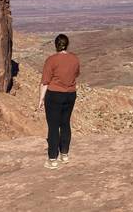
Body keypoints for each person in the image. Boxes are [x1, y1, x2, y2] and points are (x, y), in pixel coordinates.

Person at [38, 33, 80, 170]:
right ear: (67, 44)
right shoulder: (74, 59)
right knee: (65, 123)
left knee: (54, 126)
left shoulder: (51, 60)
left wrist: (41, 99)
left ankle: (52, 159)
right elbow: (76, 74)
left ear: (56, 45)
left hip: (54, 96)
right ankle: (65, 154)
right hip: (70, 95)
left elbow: (45, 82)